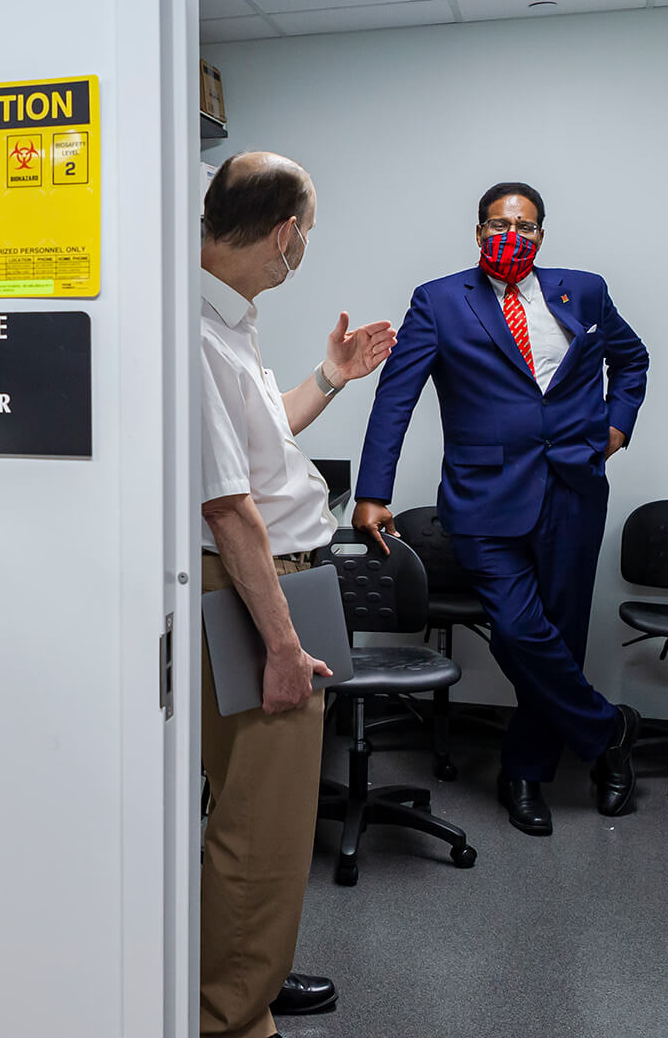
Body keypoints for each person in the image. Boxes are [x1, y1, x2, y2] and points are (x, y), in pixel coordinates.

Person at [351, 182, 649, 835]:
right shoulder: (439, 301)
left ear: (543, 235)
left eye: (526, 225)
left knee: (560, 635)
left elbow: (631, 361)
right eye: (497, 222)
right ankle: (609, 731)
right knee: (518, 632)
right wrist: (373, 491)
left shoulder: (584, 290)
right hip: (484, 495)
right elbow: (395, 399)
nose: (512, 233)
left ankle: (526, 771)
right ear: (478, 229)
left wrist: (616, 428)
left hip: (573, 488)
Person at [199, 151, 396, 1038]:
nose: (304, 245)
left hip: (284, 577)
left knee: (270, 813)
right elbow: (230, 507)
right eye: (306, 231)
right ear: (285, 234)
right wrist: (282, 644)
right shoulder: (195, 333)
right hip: (259, 588)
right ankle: (232, 1016)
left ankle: (254, 973)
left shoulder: (228, 323)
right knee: (261, 822)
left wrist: (329, 379)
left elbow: (262, 445)